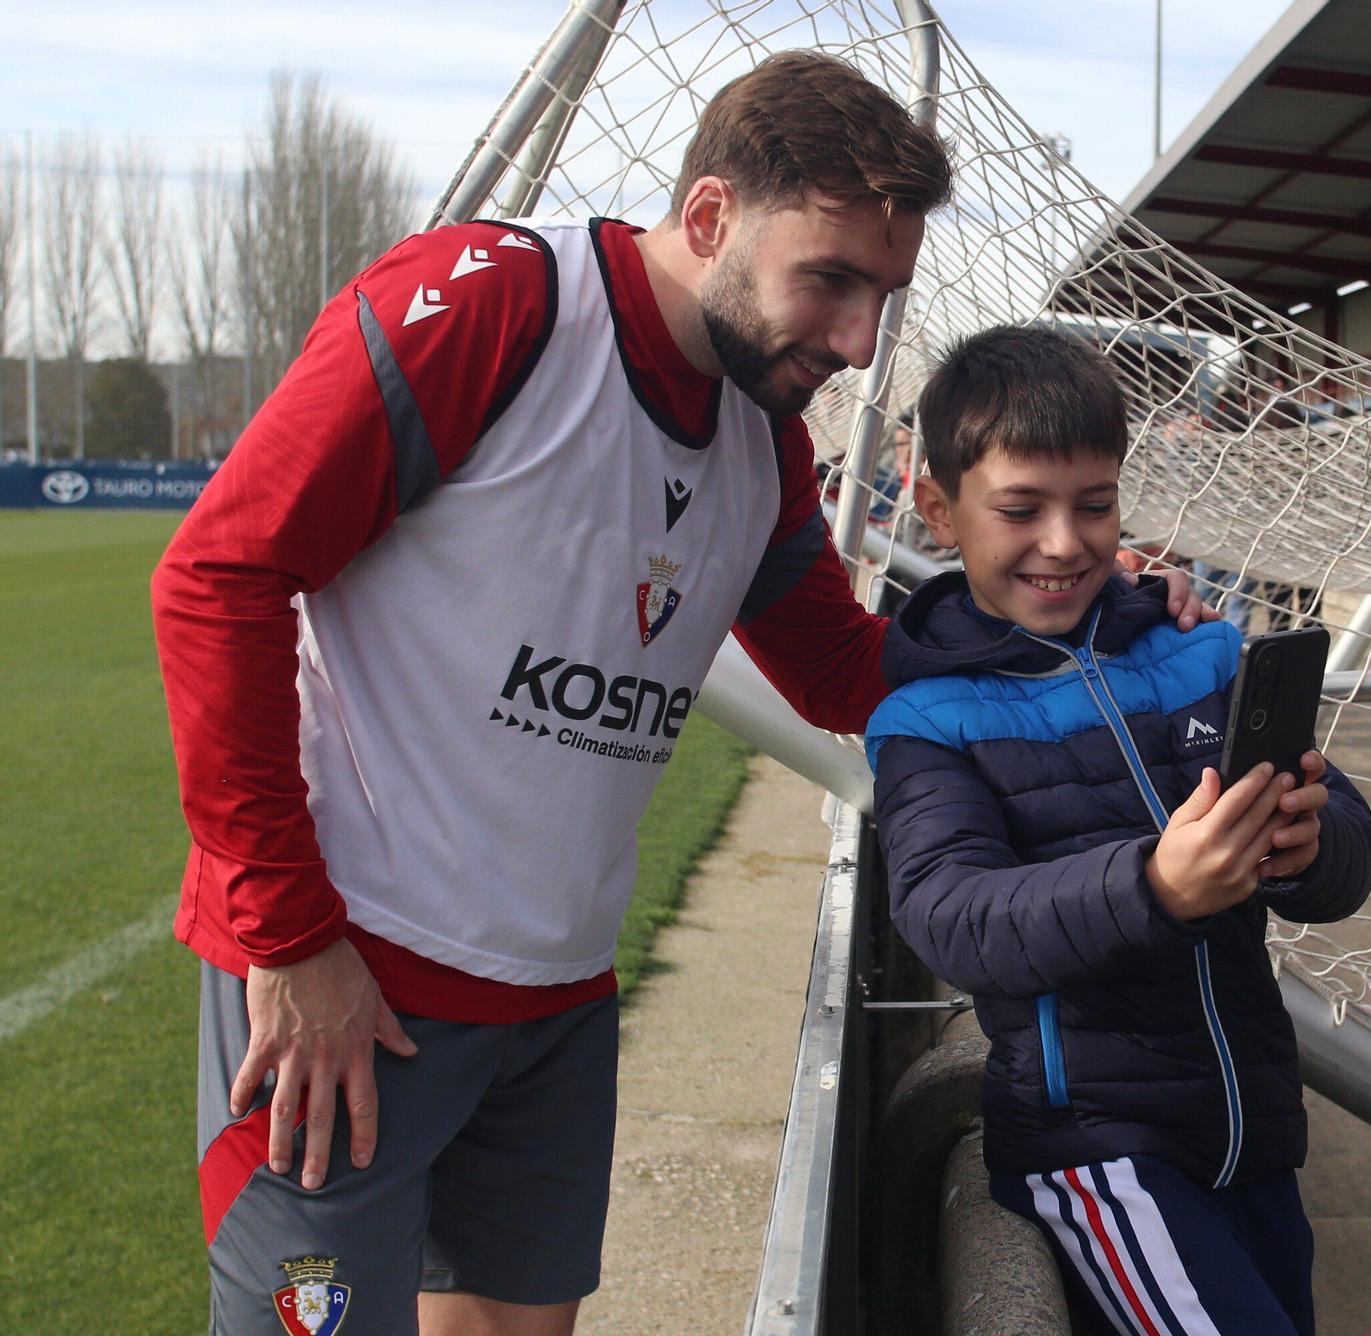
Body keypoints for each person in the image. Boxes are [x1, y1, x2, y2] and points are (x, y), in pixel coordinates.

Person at [152, 53, 1211, 1336]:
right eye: (828, 280)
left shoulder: (762, 439)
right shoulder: (497, 306)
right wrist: (291, 937)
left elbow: (839, 668)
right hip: (345, 968)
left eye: (883, 292)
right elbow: (218, 576)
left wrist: (1088, 612)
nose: (858, 339)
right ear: (710, 218)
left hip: (554, 991)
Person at [868, 327, 1371, 1334]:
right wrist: (1154, 886)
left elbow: (1350, 840)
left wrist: (1306, 846)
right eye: (1020, 508)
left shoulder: (1194, 651)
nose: (1063, 541)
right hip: (1097, 1150)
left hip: (1250, 1133)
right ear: (938, 509)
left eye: (1093, 504)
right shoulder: (928, 719)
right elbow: (951, 914)